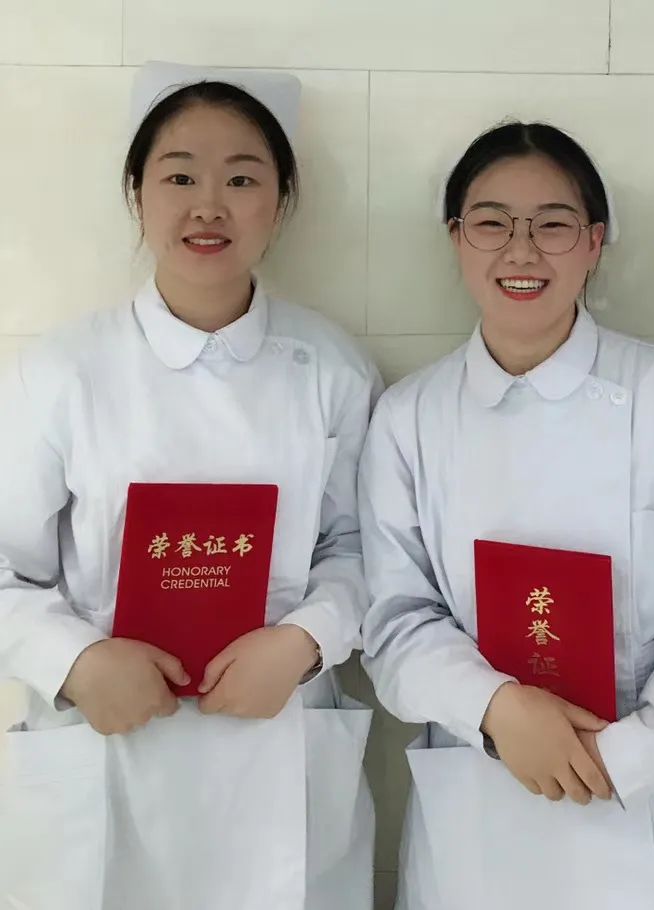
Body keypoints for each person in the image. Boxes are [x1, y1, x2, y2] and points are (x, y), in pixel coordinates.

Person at [358, 120, 654, 910]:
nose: (521, 252)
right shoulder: (409, 417)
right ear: (456, 239)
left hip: (652, 802)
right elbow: (394, 621)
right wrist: (495, 708)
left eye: (552, 225)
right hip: (483, 790)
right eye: (492, 223)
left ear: (593, 243)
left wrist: (636, 751)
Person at [0, 61, 381, 910]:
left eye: (242, 179)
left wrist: (306, 639)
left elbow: (364, 549)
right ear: (136, 193)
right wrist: (76, 660)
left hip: (277, 748)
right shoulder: (62, 371)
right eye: (179, 177)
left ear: (281, 202)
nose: (209, 206)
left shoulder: (332, 369)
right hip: (107, 748)